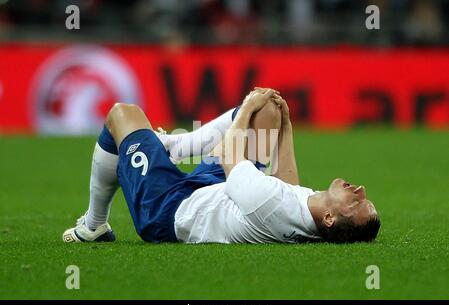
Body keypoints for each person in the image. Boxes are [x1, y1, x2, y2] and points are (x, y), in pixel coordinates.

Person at [63, 88, 380, 244]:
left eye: (357, 202)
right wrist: (285, 124)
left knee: (122, 114)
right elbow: (289, 186)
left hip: (170, 209)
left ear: (329, 217)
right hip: (221, 191)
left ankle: (94, 225)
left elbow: (231, 156)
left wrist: (247, 108)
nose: (361, 190)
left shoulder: (270, 205)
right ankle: (174, 146)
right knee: (270, 109)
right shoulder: (307, 215)